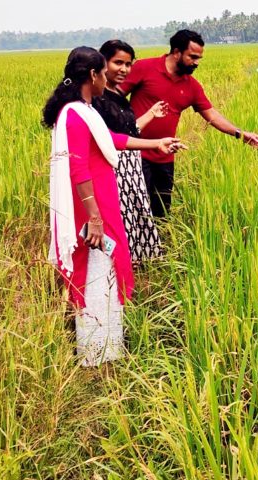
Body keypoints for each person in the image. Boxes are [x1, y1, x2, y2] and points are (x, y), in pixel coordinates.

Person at [42, 46, 183, 366]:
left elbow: (113, 140)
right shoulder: (75, 115)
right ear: (93, 75)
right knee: (94, 270)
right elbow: (78, 169)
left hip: (102, 202)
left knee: (106, 266)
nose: (108, 79)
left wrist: (155, 143)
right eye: (104, 73)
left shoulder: (86, 109)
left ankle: (110, 343)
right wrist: (93, 218)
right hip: (92, 209)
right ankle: (96, 352)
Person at [119, 29, 258, 218]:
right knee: (135, 212)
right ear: (177, 52)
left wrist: (240, 133)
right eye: (193, 57)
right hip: (135, 153)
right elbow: (113, 97)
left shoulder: (192, 86)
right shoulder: (144, 68)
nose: (197, 62)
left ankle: (157, 247)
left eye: (199, 58)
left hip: (165, 158)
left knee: (161, 213)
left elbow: (211, 115)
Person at [93, 39, 170, 265]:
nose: (125, 69)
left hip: (132, 168)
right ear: (103, 62)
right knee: (118, 217)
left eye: (129, 64)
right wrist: (155, 143)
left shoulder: (116, 93)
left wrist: (151, 114)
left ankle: (134, 266)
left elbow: (128, 130)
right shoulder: (97, 98)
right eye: (118, 62)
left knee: (135, 214)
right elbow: (110, 139)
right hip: (114, 168)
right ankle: (113, 268)